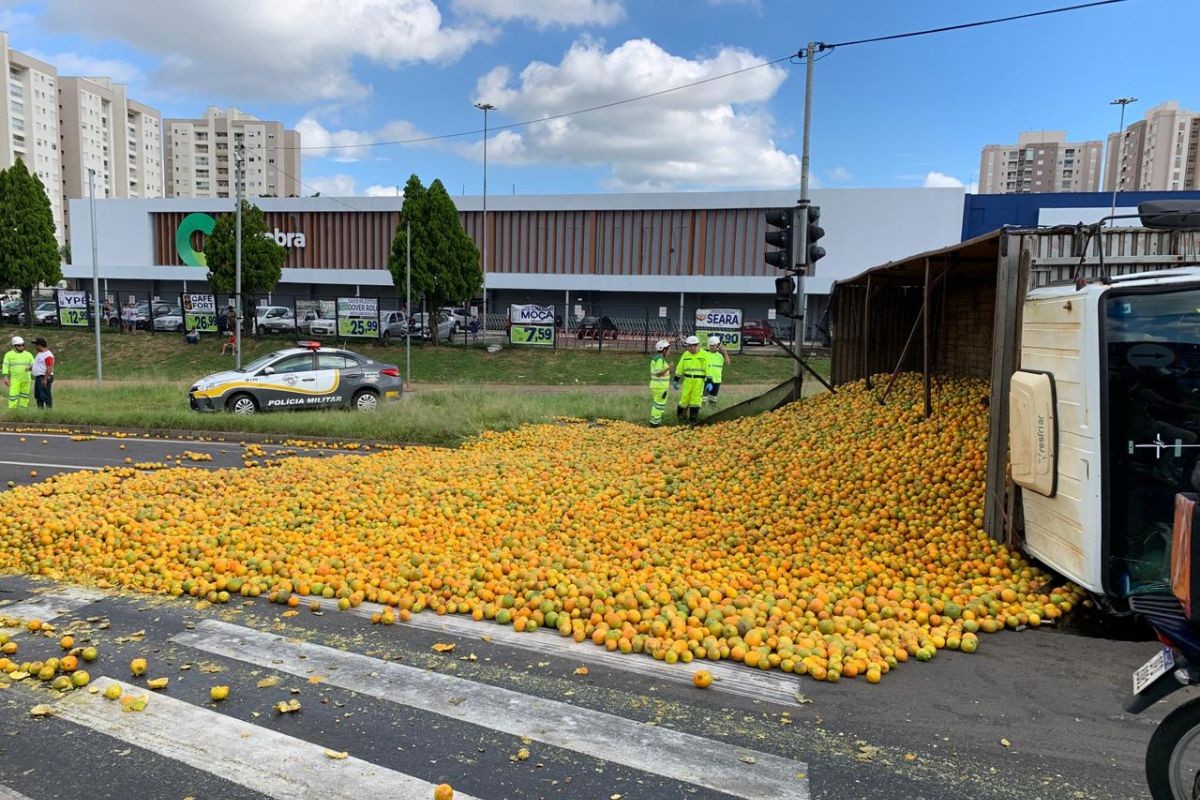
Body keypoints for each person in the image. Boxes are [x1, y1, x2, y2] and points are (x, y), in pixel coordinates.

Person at [674, 335, 707, 424]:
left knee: (695, 401)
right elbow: (680, 367)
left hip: (699, 382)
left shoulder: (704, 355)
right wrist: (676, 379)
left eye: (690, 346)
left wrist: (710, 381)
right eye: (688, 347)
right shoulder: (685, 355)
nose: (689, 348)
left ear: (696, 345)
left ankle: (693, 419)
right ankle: (680, 418)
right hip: (688, 381)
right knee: (684, 400)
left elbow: (709, 368)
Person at [2, 335, 34, 410]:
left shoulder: (28, 354)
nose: (21, 347)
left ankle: (23, 410)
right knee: (13, 396)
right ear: (14, 346)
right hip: (15, 379)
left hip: (26, 379)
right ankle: (12, 411)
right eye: (19, 345)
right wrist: (5, 377)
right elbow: (5, 366)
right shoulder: (9, 355)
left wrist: (31, 368)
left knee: (25, 395)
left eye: (23, 345)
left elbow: (34, 365)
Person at [649, 339, 672, 427]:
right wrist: (668, 368)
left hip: (657, 386)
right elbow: (658, 373)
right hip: (660, 387)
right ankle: (655, 423)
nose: (669, 351)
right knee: (659, 405)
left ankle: (654, 421)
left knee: (657, 404)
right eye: (668, 349)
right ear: (664, 350)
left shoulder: (658, 358)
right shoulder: (659, 359)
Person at [703, 335, 731, 407]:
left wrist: (725, 353)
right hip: (707, 381)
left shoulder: (720, 356)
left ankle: (711, 412)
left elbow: (728, 363)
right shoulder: (705, 354)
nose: (712, 347)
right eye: (710, 345)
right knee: (703, 399)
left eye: (714, 345)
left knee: (713, 399)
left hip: (717, 381)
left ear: (718, 345)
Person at [31, 337, 53, 409]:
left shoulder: (48, 355)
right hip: (39, 377)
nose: (35, 347)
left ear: (40, 345)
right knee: (38, 395)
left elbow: (49, 367)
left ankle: (48, 410)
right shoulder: (40, 354)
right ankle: (40, 411)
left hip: (43, 377)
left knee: (45, 395)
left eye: (36, 345)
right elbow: (40, 365)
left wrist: (45, 379)